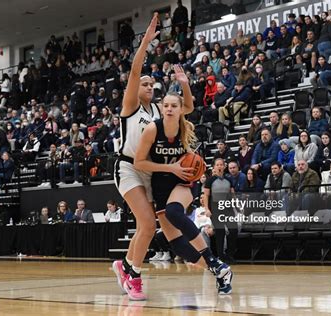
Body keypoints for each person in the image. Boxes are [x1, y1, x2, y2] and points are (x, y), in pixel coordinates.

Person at [112, 15, 194, 301]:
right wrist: (146, 41)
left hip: (151, 170)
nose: (147, 86)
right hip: (127, 167)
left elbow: (189, 108)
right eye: (143, 83)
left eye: (151, 84)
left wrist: (183, 84)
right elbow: (134, 72)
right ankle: (133, 275)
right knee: (148, 224)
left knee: (145, 227)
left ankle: (124, 264)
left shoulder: (161, 113)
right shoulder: (131, 106)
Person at [134, 94, 233, 295]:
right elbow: (139, 162)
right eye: (166, 105)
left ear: (181, 109)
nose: (169, 109)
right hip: (161, 183)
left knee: (173, 212)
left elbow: (192, 158)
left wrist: (185, 84)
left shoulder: (185, 128)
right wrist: (170, 168)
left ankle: (213, 261)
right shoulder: (153, 129)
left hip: (184, 180)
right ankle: (220, 272)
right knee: (178, 246)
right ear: (161, 108)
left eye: (173, 105)